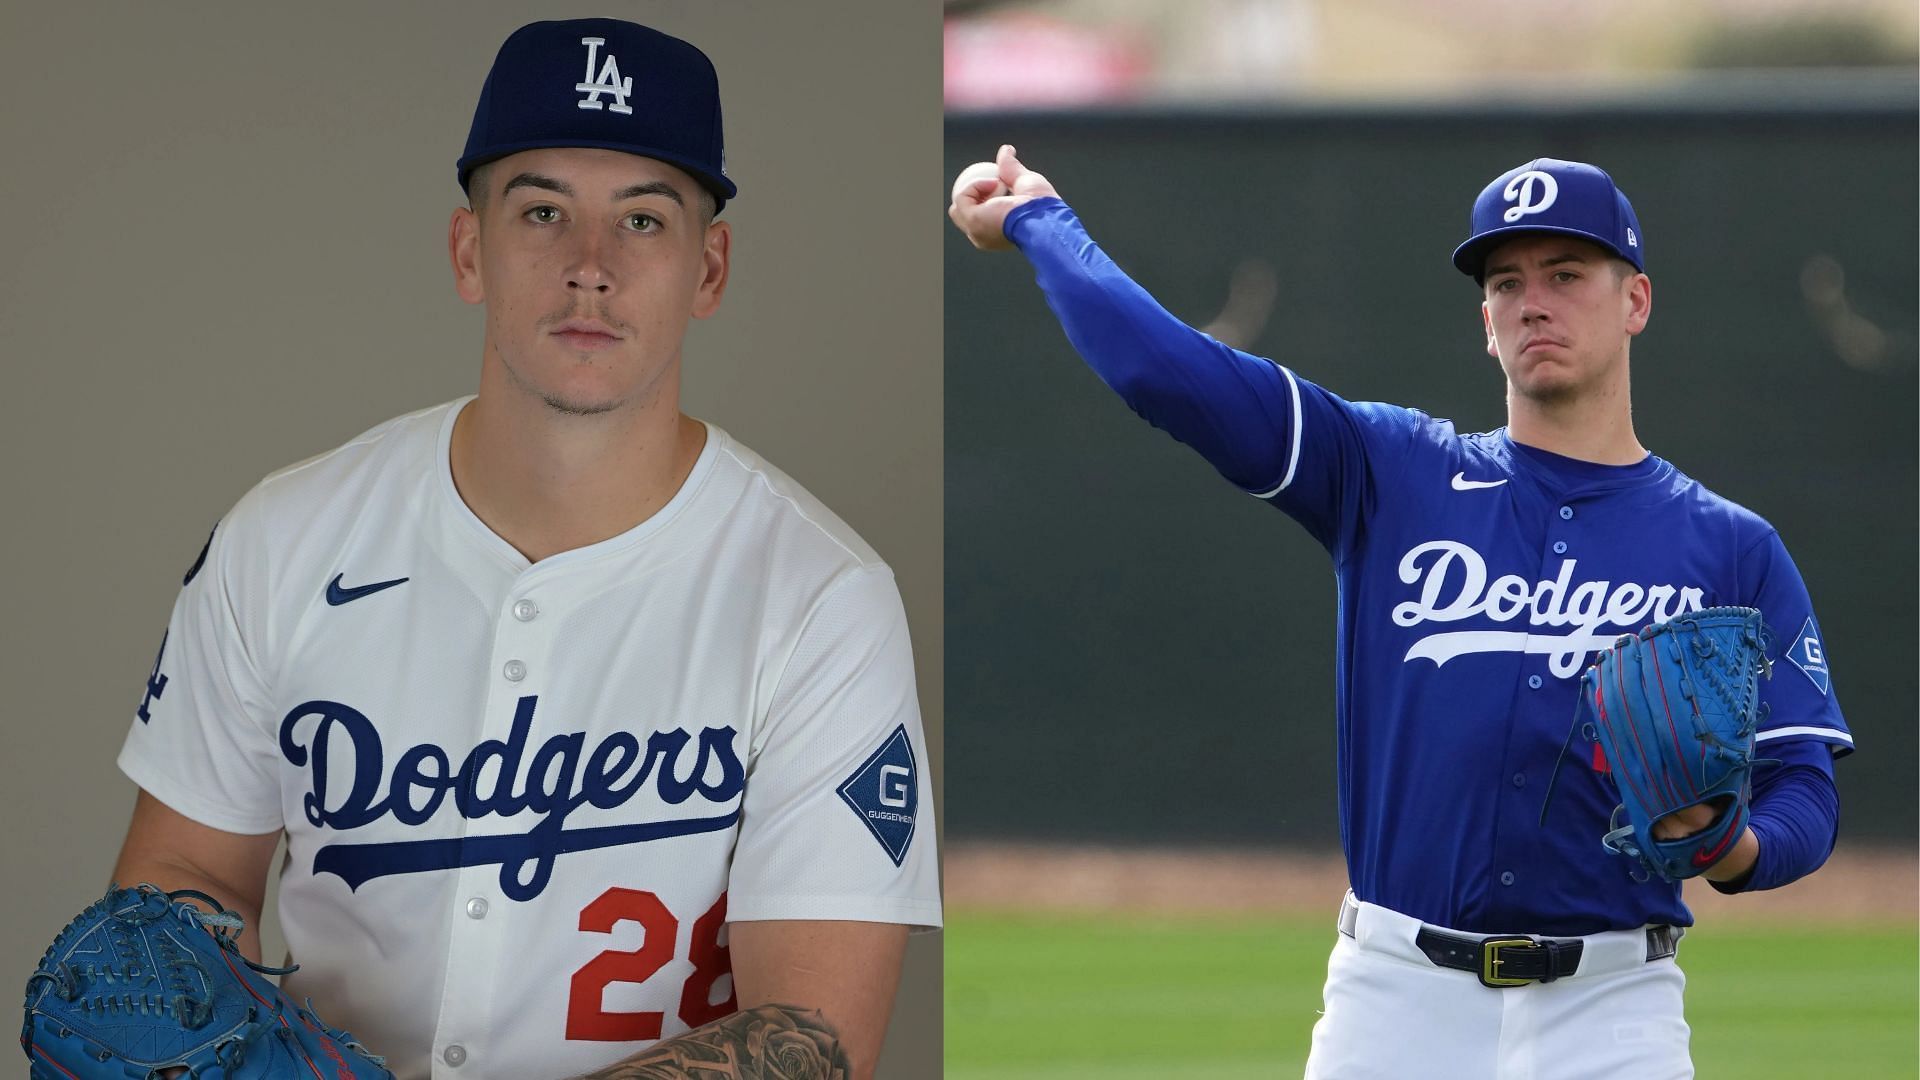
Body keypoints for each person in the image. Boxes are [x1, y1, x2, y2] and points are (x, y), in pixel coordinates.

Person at [109, 20, 939, 1080]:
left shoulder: (823, 597)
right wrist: (190, 1005)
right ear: (470, 250)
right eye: (543, 211)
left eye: (643, 220)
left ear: (709, 268)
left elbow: (820, 1042)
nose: (589, 268)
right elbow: (188, 869)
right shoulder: (283, 537)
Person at [948, 146, 1850, 1077]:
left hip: (1615, 1010)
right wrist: (1042, 222)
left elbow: (1805, 789)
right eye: (1506, 282)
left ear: (1637, 302)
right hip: (1396, 1002)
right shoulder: (1387, 472)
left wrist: (1736, 848)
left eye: (1567, 273)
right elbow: (1169, 373)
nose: (1533, 300)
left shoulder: (1732, 547)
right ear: (1485, 323)